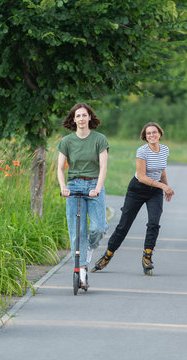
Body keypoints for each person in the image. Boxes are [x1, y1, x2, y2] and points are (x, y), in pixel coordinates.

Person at [92, 122, 174, 275]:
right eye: (148, 133)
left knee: (154, 223)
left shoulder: (165, 150)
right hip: (137, 189)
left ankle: (147, 257)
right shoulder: (142, 151)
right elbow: (142, 177)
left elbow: (162, 171)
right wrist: (163, 186)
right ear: (145, 137)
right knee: (124, 225)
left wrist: (166, 188)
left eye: (154, 132)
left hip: (155, 191)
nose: (152, 135)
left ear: (160, 134)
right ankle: (107, 255)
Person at [57, 103, 109, 289]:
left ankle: (87, 249)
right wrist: (64, 187)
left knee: (99, 227)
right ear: (73, 119)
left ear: (89, 118)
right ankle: (81, 272)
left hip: (94, 185)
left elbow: (103, 167)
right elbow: (60, 168)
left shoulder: (99, 139)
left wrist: (97, 187)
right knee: (76, 232)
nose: (80, 119)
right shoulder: (66, 142)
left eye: (84, 115)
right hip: (74, 186)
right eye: (77, 116)